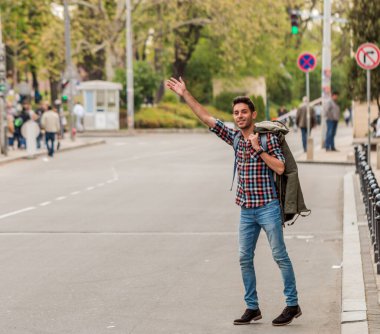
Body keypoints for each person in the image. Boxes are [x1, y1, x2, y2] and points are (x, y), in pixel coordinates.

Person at [166, 77, 301, 327]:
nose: (239, 116)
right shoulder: (235, 138)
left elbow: (281, 168)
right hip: (246, 210)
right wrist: (185, 93)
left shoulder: (267, 138)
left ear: (253, 114)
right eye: (236, 113)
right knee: (244, 258)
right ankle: (252, 307)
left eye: (244, 112)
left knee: (279, 256)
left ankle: (292, 304)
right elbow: (207, 119)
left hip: (269, 207)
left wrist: (259, 149)